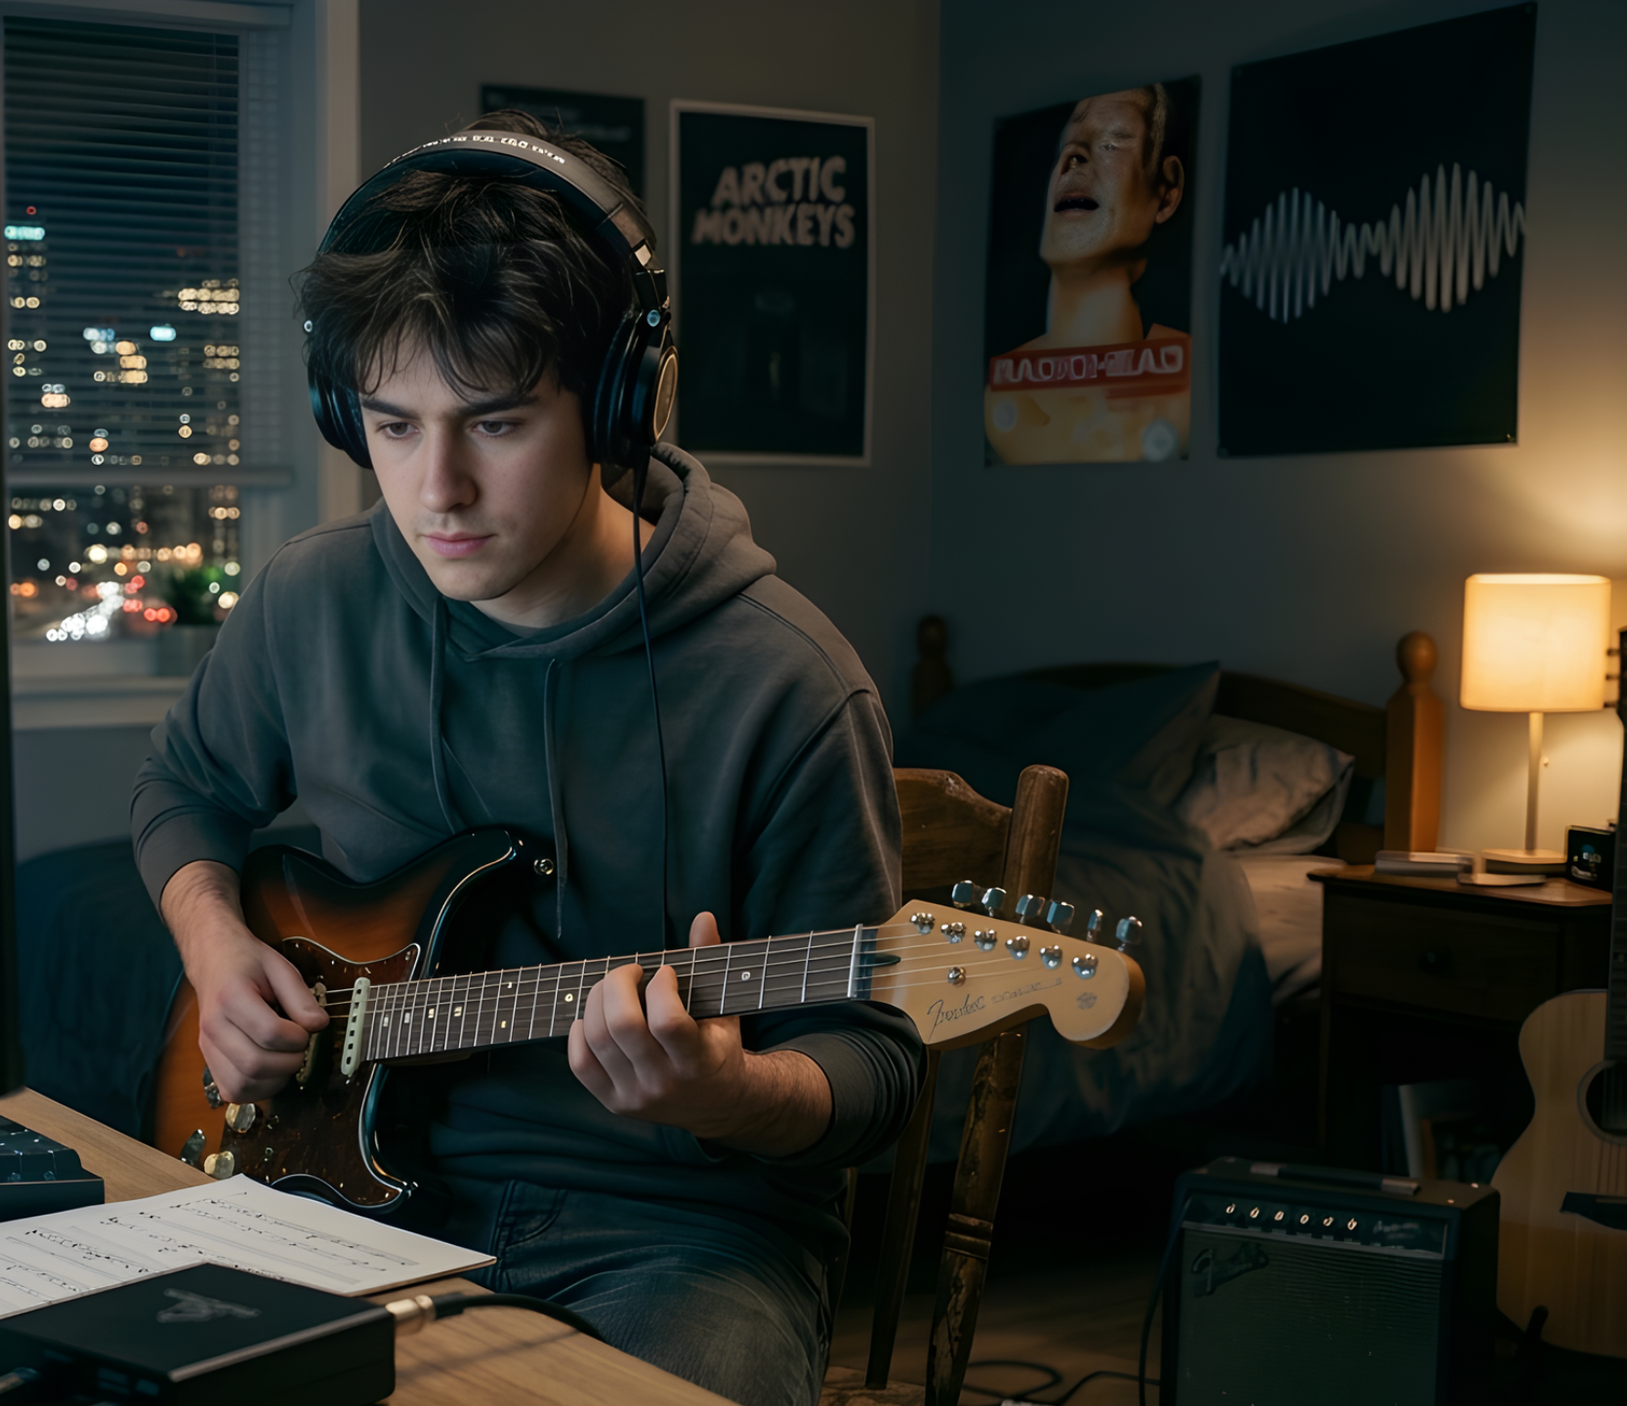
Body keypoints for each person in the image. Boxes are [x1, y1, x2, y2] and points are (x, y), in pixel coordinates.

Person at [130, 112, 920, 1406]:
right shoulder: (312, 599)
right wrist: (216, 946)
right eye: (392, 425)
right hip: (329, 1190)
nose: (434, 488)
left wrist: (731, 1089)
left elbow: (874, 1068)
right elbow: (185, 787)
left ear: (619, 403)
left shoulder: (788, 684)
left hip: (674, 1234)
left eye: (493, 423)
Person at [985, 83, 1189, 464]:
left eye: (1110, 143)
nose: (1073, 156)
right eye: (1068, 143)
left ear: (1166, 193)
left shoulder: (1188, 387)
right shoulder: (1001, 396)